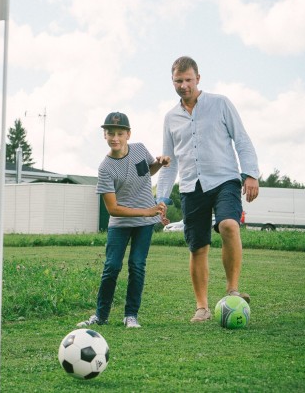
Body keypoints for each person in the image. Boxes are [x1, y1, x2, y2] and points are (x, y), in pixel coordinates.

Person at [156, 56, 260, 323]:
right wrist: (162, 198)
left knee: (229, 225)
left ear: (198, 78)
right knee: (198, 247)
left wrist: (251, 174)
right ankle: (202, 307)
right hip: (192, 186)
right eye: (178, 81)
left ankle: (232, 291)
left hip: (225, 179)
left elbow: (242, 140)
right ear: (172, 81)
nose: (183, 86)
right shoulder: (170, 118)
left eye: (188, 80)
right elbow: (170, 162)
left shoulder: (221, 104)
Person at [77, 112, 170, 329]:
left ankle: (131, 316)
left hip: (144, 225)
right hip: (121, 224)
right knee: (111, 267)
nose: (115, 138)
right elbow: (113, 209)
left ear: (128, 134)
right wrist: (147, 212)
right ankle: (101, 316)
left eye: (120, 133)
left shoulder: (139, 149)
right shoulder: (105, 168)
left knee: (137, 265)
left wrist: (160, 163)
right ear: (104, 135)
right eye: (110, 133)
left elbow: (147, 171)